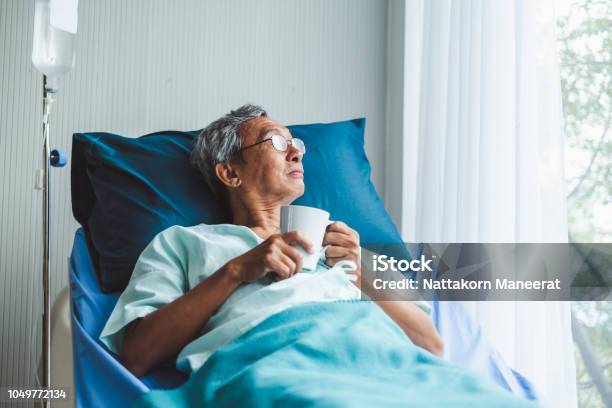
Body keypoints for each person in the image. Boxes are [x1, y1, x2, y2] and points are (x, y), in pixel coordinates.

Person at [100, 104, 443, 377]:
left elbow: (431, 345)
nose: (296, 152)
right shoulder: (185, 244)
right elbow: (138, 355)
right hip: (280, 371)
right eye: (277, 142)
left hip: (383, 368)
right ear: (230, 173)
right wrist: (236, 271)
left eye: (296, 144)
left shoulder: (342, 247)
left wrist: (360, 274)